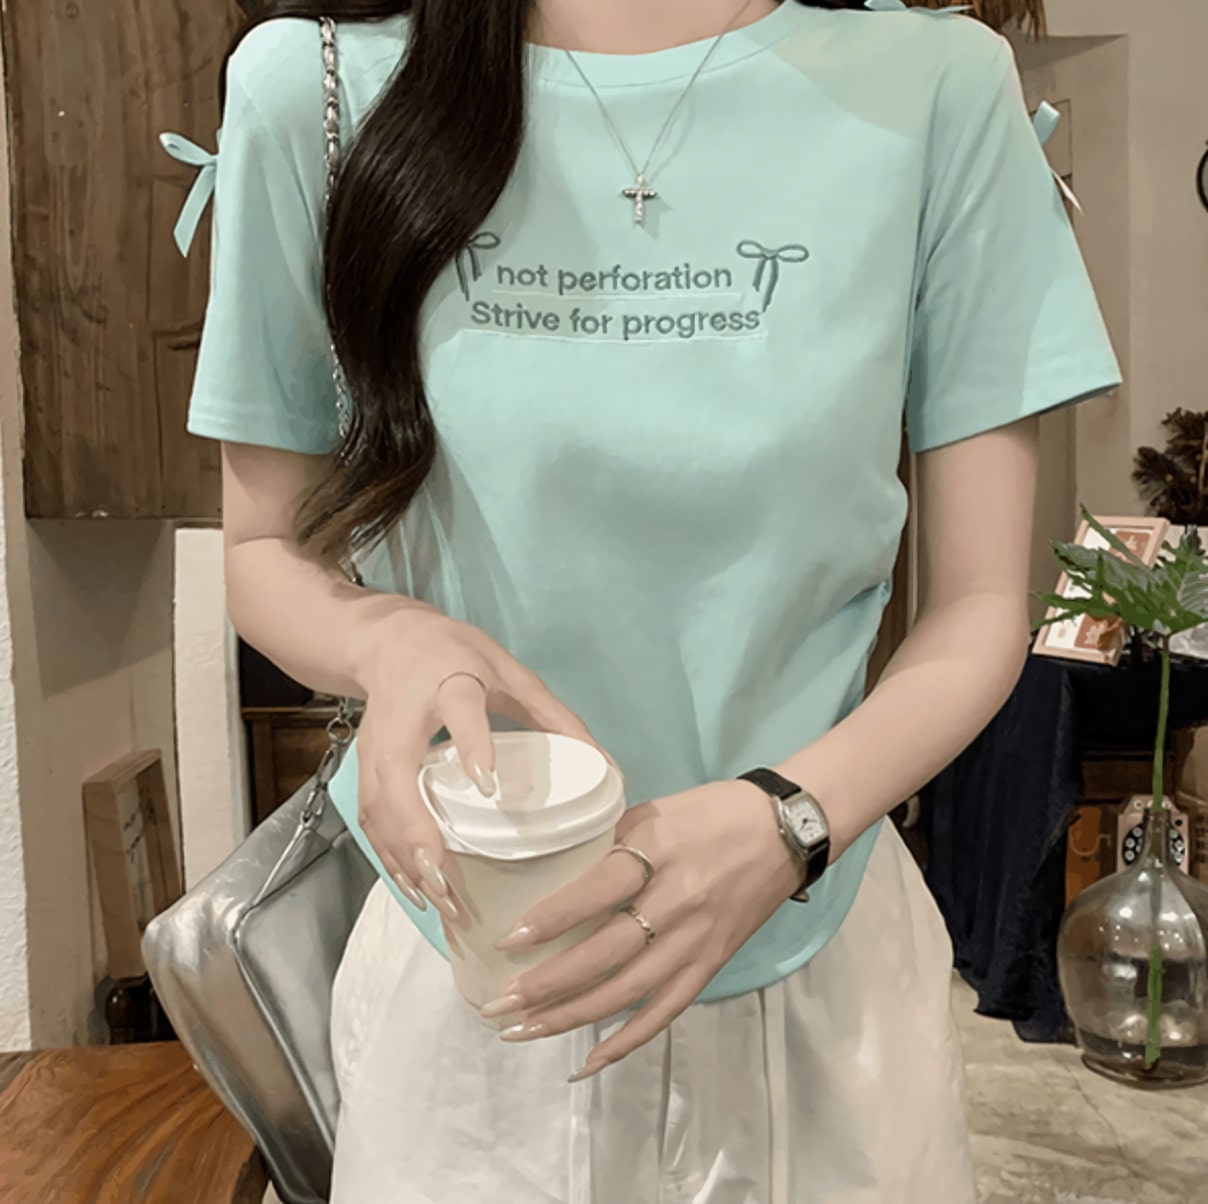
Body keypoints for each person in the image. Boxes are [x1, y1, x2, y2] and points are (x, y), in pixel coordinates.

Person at [169, 0, 1121, 1198]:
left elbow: (978, 604)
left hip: (816, 968)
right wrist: (392, 640)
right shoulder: (314, 89)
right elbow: (263, 546)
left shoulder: (937, 88)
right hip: (472, 974)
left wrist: (790, 818)